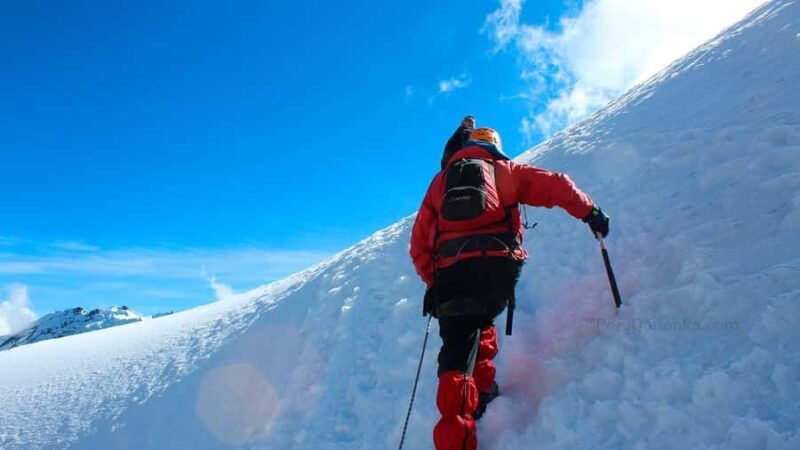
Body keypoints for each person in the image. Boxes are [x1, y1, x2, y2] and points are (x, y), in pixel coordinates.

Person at [409, 118, 610, 450]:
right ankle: (484, 391)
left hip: (452, 276)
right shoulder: (506, 170)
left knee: (457, 355)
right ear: (496, 146)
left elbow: (419, 244)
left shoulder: (440, 181)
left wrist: (435, 283)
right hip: (498, 272)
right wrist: (592, 214)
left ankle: (455, 437)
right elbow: (557, 185)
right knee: (483, 320)